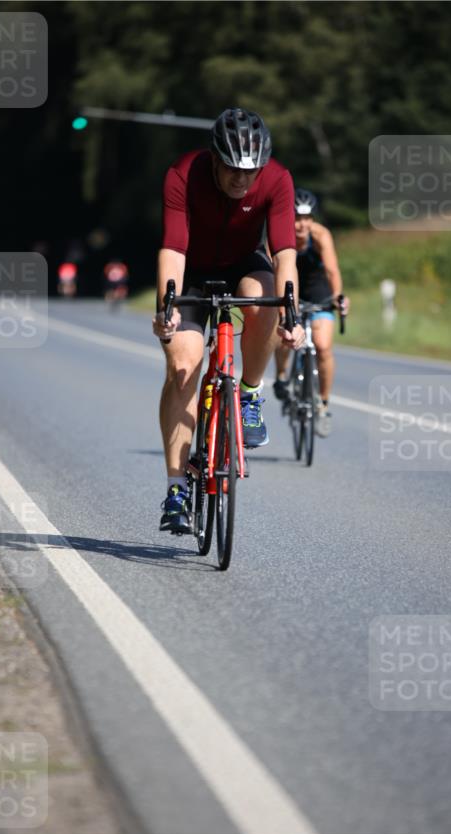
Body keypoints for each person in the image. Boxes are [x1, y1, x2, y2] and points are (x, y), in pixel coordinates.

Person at [152, 108, 305, 534]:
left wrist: (292, 315)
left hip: (244, 263)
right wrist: (167, 308)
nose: (242, 180)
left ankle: (250, 395)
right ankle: (177, 487)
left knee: (265, 301)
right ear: (215, 158)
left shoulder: (277, 179)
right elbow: (173, 249)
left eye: (250, 171)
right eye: (234, 170)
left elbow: (285, 253)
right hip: (192, 270)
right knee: (183, 366)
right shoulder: (183, 173)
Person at [273, 189, 349, 437]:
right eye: (295, 217)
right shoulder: (279, 235)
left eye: (306, 218)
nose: (301, 224)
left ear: (312, 219)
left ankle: (323, 405)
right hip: (290, 292)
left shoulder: (320, 236)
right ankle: (282, 376)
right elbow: (270, 270)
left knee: (323, 347)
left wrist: (338, 296)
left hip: (318, 293)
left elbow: (332, 270)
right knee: (285, 333)